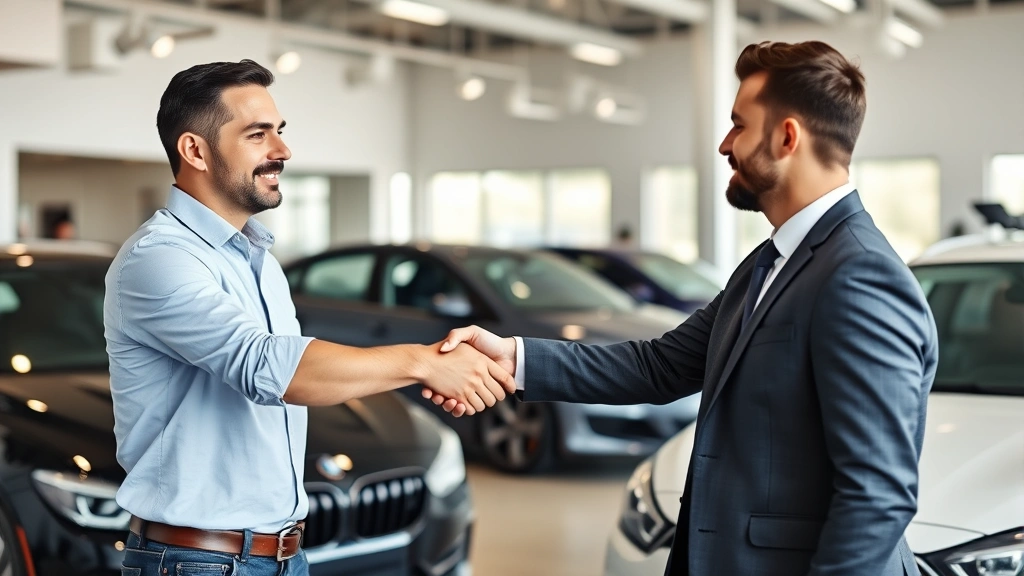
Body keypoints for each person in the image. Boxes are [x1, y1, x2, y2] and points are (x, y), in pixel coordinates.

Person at [427, 41, 937, 576]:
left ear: (787, 137)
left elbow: (878, 496)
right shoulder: (772, 260)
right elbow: (660, 365)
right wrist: (510, 357)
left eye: (739, 125)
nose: (724, 144)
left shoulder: (859, 276)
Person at [103, 60, 515, 576]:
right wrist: (421, 362)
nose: (282, 151)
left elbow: (295, 380)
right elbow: (268, 368)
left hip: (285, 555)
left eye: (279, 131)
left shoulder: (261, 263)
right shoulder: (158, 258)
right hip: (197, 561)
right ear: (194, 151)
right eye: (257, 135)